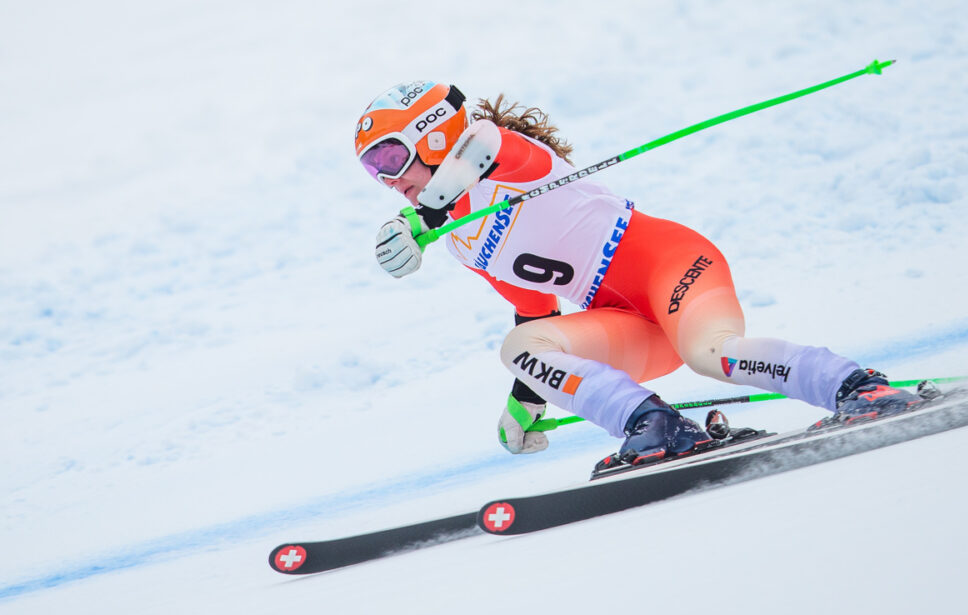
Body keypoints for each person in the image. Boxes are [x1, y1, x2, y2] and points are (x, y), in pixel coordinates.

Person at [354, 80, 923, 466]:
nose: (386, 178)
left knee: (713, 354)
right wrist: (526, 400)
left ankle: (855, 386)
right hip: (624, 321)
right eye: (373, 170)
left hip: (671, 266)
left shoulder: (510, 157)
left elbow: (482, 144)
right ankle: (653, 424)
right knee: (520, 345)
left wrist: (420, 214)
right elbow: (536, 309)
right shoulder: (458, 238)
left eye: (389, 158)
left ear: (433, 133)